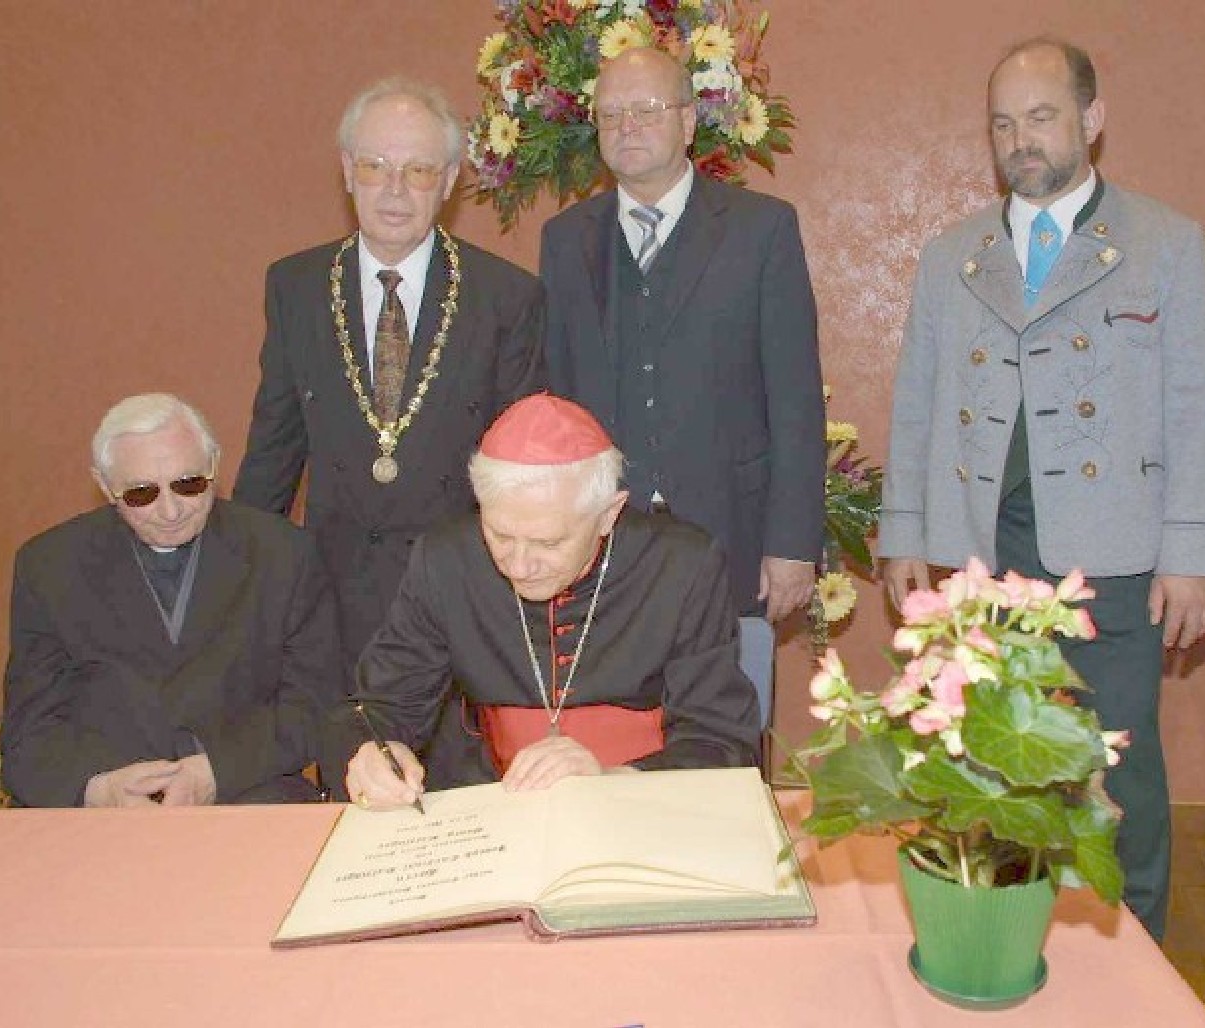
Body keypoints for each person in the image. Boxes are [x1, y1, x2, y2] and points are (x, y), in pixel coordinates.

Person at [878, 38, 1205, 942]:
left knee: (1119, 774)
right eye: (1003, 124)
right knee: (984, 769)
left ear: (1091, 118)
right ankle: (998, 945)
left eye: (1040, 117)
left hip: (1113, 555)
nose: (1020, 141)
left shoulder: (1164, 243)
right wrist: (901, 532)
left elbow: (1196, 407)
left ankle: (1138, 957)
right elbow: (915, 402)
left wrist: (1193, 554)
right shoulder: (951, 255)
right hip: (978, 558)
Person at [233, 77, 545, 783]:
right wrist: (242, 582)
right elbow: (273, 446)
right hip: (334, 592)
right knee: (355, 793)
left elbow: (518, 474)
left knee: (459, 803)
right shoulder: (296, 285)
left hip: (458, 595)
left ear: (452, 181)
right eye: (374, 166)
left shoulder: (507, 297)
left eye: (419, 169)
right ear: (346, 172)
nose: (394, 189)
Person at [335, 394, 761, 809]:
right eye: (500, 535)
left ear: (608, 514)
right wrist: (375, 753)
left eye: (548, 542)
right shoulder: (444, 561)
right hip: (499, 808)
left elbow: (720, 739)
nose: (520, 565)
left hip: (645, 808)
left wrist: (612, 782)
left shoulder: (681, 565)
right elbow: (380, 704)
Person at [538, 47, 824, 641]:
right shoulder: (565, 240)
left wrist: (794, 542)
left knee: (728, 723)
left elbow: (795, 399)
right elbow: (555, 396)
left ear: (689, 121)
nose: (627, 127)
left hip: (730, 537)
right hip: (601, 545)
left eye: (646, 108)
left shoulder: (761, 229)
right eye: (610, 114)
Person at [1, 394, 343, 807]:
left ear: (214, 467)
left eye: (189, 485)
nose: (170, 511)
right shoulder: (50, 566)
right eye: (142, 494)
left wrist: (214, 772)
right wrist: (101, 790)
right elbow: (28, 734)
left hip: (247, 789)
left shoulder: (285, 554)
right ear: (106, 487)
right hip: (108, 809)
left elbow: (316, 707)